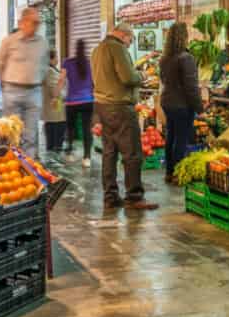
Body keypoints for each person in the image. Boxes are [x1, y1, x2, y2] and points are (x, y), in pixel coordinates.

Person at [94, 22, 152, 211]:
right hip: (120, 106)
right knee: (132, 153)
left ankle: (110, 196)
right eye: (131, 39)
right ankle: (134, 196)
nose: (130, 43)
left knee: (109, 153)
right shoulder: (117, 49)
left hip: (103, 106)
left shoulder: (98, 49)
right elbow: (128, 77)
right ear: (124, 35)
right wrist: (142, 76)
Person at [0, 6, 50, 154]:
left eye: (38, 22)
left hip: (34, 92)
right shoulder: (9, 42)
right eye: (33, 22)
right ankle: (12, 160)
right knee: (13, 132)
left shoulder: (42, 43)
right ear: (22, 23)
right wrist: (5, 84)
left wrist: (39, 80)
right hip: (12, 91)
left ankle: (29, 165)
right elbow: (0, 64)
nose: (36, 25)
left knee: (31, 134)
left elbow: (45, 66)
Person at [159, 20, 204, 183]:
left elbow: (163, 80)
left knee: (171, 136)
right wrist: (200, 108)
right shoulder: (186, 58)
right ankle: (178, 174)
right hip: (182, 105)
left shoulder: (165, 58)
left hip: (168, 102)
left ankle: (169, 172)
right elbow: (191, 87)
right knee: (181, 139)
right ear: (183, 37)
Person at [63, 38, 95, 168]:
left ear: (75, 49)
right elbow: (94, 81)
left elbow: (61, 80)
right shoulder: (89, 63)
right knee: (87, 129)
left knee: (71, 128)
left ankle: (70, 152)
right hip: (87, 100)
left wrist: (55, 95)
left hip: (72, 102)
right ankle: (87, 158)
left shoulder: (67, 62)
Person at [43, 54, 67, 151]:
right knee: (55, 139)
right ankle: (54, 158)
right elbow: (55, 91)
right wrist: (66, 96)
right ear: (51, 59)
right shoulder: (50, 71)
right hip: (55, 108)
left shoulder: (49, 70)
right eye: (56, 57)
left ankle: (53, 156)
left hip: (52, 110)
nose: (58, 59)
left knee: (51, 136)